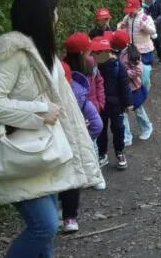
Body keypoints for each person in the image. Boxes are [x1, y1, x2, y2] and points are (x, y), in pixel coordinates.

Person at [0, 0, 103, 257]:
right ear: (40, 15)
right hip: (24, 156)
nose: (57, 16)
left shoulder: (44, 55)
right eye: (53, 11)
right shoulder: (12, 55)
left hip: (46, 154)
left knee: (46, 230)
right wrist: (38, 111)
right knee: (44, 226)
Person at [61, 32, 104, 233]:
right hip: (70, 130)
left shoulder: (72, 68)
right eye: (88, 51)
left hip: (62, 126)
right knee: (71, 173)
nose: (91, 55)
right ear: (81, 53)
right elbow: (95, 123)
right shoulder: (70, 77)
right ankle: (69, 216)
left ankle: (62, 214)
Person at [91, 35, 132, 170]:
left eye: (97, 53)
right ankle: (102, 154)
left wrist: (128, 103)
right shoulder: (95, 67)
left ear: (106, 52)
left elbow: (125, 85)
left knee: (118, 129)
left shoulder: (118, 66)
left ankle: (119, 152)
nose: (95, 55)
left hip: (116, 105)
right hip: (101, 105)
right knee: (101, 130)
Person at [112, 31, 153, 146]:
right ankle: (126, 136)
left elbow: (138, 70)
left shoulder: (132, 53)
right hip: (122, 89)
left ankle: (147, 127)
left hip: (134, 89)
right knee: (123, 113)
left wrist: (124, 73)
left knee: (138, 110)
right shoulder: (116, 53)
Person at [117, 0, 157, 67]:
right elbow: (122, 27)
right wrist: (121, 26)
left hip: (144, 48)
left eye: (132, 10)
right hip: (132, 49)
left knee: (145, 67)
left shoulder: (145, 18)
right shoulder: (127, 17)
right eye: (129, 11)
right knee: (134, 67)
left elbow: (153, 31)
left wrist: (145, 27)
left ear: (138, 8)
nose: (130, 13)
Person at [141, 0, 161, 65]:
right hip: (146, 26)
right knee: (147, 43)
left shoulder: (157, 3)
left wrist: (157, 21)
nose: (146, 0)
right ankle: (149, 59)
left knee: (158, 42)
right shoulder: (142, 6)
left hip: (157, 26)